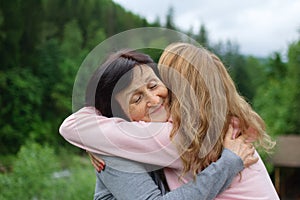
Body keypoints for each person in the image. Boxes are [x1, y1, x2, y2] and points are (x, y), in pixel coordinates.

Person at [60, 49, 257, 199]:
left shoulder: (182, 127)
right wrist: (228, 163)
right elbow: (71, 126)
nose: (154, 100)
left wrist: (94, 134)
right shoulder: (114, 151)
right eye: (136, 99)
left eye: (154, 85)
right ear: (119, 117)